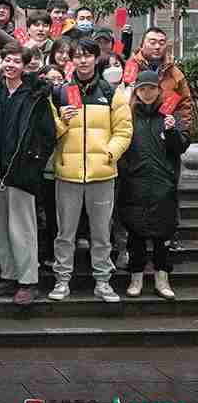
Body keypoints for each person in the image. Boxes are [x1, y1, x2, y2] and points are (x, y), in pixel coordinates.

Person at [49, 38, 132, 303]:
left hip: (102, 174)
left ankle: (103, 282)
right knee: (65, 234)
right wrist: (63, 122)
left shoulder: (111, 92)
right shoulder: (60, 92)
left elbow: (124, 130)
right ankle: (62, 280)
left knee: (101, 232)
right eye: (77, 56)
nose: (82, 60)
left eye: (87, 55)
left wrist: (109, 154)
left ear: (96, 58)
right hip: (68, 174)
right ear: (71, 59)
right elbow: (49, 130)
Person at [0, 44, 56, 304]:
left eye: (16, 61)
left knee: (22, 228)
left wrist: (34, 163)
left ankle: (28, 281)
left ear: (25, 66)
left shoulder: (35, 95)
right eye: (7, 60)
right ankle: (9, 275)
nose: (10, 65)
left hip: (23, 170)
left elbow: (48, 135)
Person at [119, 71, 189, 299]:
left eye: (152, 88)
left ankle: (162, 279)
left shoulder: (169, 115)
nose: (147, 93)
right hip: (135, 184)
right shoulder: (128, 116)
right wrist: (127, 173)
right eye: (143, 89)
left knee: (163, 234)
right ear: (136, 91)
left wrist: (172, 131)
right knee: (136, 234)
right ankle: (136, 277)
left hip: (163, 185)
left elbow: (181, 146)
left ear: (159, 90)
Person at [126, 27, 193, 135]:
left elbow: (184, 104)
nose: (157, 47)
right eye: (152, 42)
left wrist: (182, 133)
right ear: (142, 45)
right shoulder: (130, 68)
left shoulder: (175, 74)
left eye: (162, 43)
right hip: (133, 133)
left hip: (165, 134)